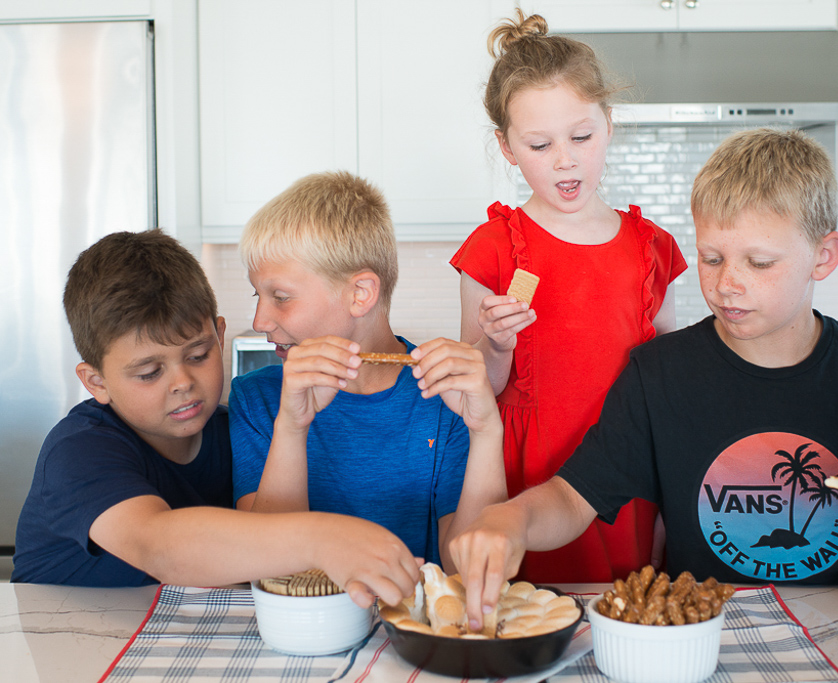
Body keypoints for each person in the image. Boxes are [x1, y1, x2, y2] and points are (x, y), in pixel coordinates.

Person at [451, 127, 838, 630]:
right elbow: (573, 497)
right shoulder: (659, 372)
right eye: (711, 257)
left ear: (824, 256)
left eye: (759, 263)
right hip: (702, 633)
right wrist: (513, 521)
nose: (726, 284)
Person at [12, 229, 420, 606]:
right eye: (149, 373)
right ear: (96, 381)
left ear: (220, 335)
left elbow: (263, 545)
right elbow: (160, 548)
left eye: (198, 355)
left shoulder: (234, 430)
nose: (183, 383)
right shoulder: (79, 451)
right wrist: (324, 539)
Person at [449, 10, 686, 583]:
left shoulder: (652, 248)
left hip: (626, 476)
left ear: (608, 123)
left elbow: (672, 388)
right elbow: (476, 392)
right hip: (524, 481)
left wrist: (674, 505)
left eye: (581, 135)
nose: (564, 158)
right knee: (533, 615)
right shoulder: (492, 249)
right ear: (507, 147)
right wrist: (496, 345)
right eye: (538, 144)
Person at [231, 170, 507, 574]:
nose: (259, 320)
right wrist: (292, 425)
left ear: (360, 294)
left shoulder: (445, 397)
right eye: (259, 295)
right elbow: (265, 568)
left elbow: (467, 572)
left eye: (281, 297)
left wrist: (486, 432)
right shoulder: (257, 400)